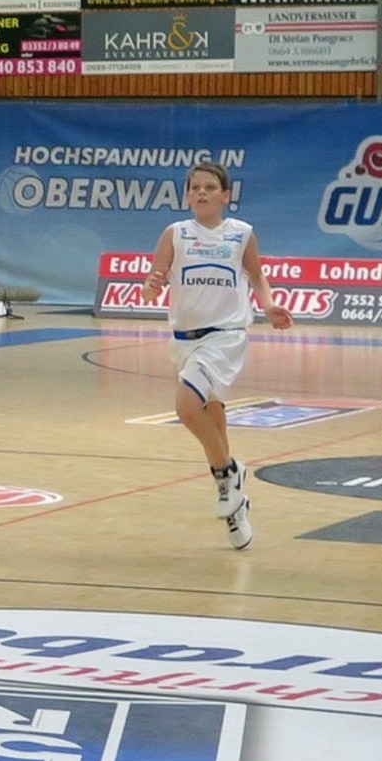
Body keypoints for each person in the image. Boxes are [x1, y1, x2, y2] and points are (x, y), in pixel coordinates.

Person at [137, 160, 293, 551]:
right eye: (195, 187)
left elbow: (257, 276)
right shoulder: (175, 234)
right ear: (187, 195)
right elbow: (154, 280)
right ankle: (235, 503)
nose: (202, 192)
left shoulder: (241, 233)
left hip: (224, 337)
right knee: (215, 424)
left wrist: (269, 304)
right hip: (184, 340)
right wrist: (150, 287)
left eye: (210, 187)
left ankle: (227, 474)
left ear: (225, 195)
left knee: (187, 407)